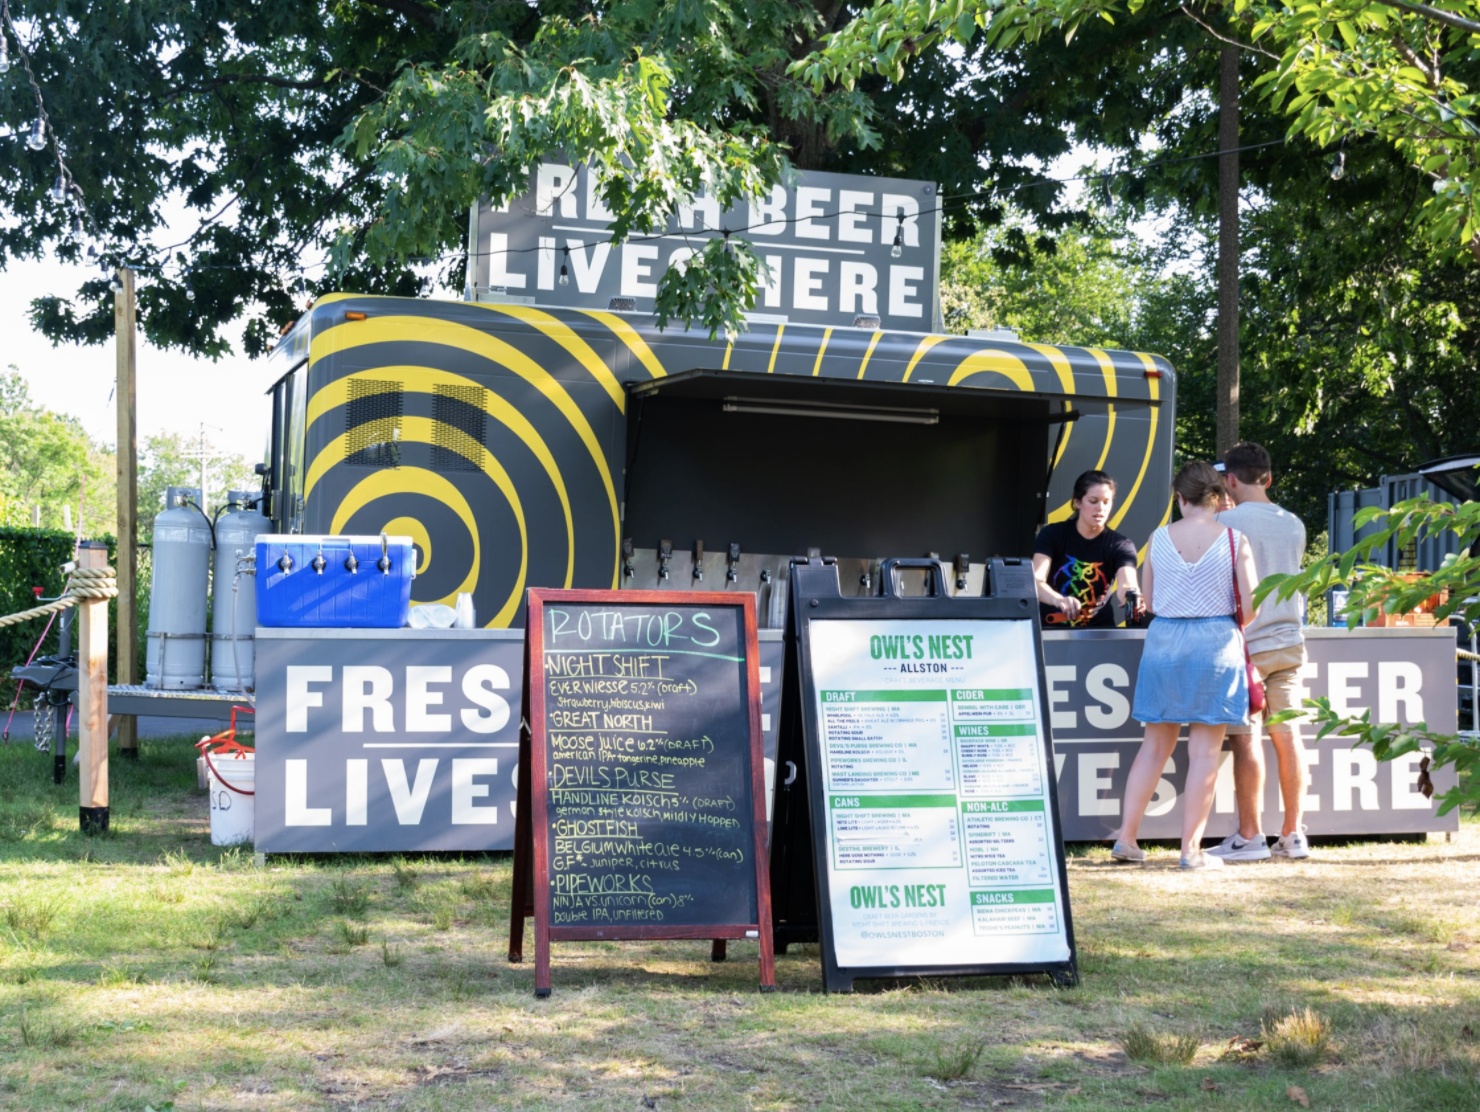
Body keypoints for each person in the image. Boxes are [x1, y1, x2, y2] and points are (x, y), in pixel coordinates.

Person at [1112, 461, 1258, 869]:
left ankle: (1126, 838)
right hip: (1215, 644)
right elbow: (1252, 607)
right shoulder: (1234, 539)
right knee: (1205, 753)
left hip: (1164, 642)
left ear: (1180, 498)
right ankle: (1190, 851)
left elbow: (1152, 602)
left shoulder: (1157, 538)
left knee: (1154, 746)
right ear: (1218, 498)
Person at [1208, 443, 1311, 861]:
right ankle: (1294, 833)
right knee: (1289, 738)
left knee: (1246, 741)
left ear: (1230, 480)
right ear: (1268, 478)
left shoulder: (1223, 523)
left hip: (1246, 646)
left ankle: (1249, 836)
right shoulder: (1295, 523)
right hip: (1290, 642)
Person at [1033, 470, 1142, 629]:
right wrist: (1058, 599)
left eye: (1106, 502)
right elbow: (1035, 581)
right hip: (1050, 630)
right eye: (1093, 501)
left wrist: (1131, 595)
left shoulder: (1121, 544)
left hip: (1099, 632)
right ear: (1077, 502)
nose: (1100, 508)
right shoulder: (1052, 534)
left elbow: (1127, 583)